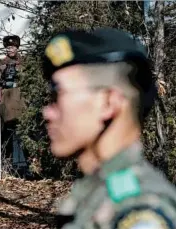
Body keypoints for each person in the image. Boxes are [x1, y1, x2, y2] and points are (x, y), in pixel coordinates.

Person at [42, 28, 176, 228]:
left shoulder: (139, 210)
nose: (47, 113)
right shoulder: (98, 193)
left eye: (57, 96)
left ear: (108, 104)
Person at [0, 35, 25, 162]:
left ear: (17, 48)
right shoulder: (0, 63)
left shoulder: (24, 61)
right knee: (6, 135)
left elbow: (30, 78)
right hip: (6, 101)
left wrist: (19, 74)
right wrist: (4, 76)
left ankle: (33, 166)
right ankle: (7, 165)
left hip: (21, 100)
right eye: (7, 47)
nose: (9, 49)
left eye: (12, 47)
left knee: (25, 135)